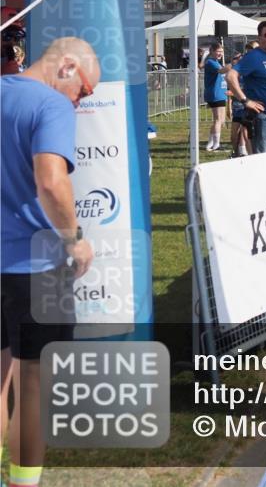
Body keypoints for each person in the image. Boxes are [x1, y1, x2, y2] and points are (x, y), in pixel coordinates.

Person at [1, 37, 97, 487]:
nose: (80, 102)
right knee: (34, 388)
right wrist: (76, 239)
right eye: (84, 91)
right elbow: (51, 181)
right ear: (67, 67)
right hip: (36, 268)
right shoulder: (50, 106)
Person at [226, 21, 266, 154]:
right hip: (265, 118)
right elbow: (230, 76)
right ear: (259, 38)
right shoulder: (254, 56)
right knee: (263, 163)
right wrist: (245, 101)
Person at [200, 42, 229, 152]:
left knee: (220, 120)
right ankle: (216, 145)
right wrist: (234, 63)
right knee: (218, 120)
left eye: (221, 51)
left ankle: (210, 144)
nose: (220, 53)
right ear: (212, 51)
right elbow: (222, 71)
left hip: (220, 94)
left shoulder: (216, 62)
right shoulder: (211, 62)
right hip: (215, 94)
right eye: (218, 51)